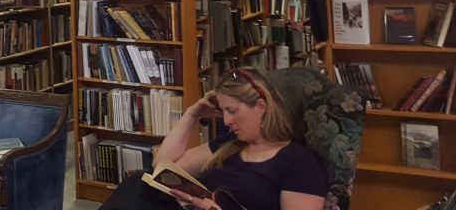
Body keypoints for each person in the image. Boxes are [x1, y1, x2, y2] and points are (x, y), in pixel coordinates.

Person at [100, 67, 327, 210]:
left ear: (260, 106)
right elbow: (162, 167)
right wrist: (192, 114)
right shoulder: (228, 145)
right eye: (223, 111)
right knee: (140, 183)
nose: (226, 121)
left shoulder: (298, 162)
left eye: (233, 111)